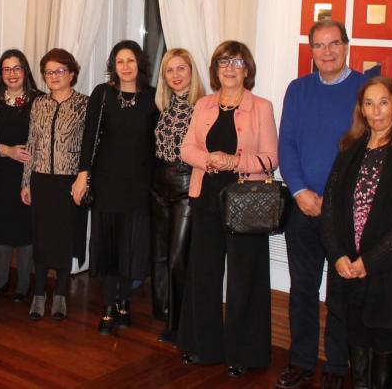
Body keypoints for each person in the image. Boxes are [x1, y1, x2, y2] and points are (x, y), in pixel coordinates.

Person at [177, 41, 278, 377]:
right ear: (215, 69)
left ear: (246, 68)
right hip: (206, 198)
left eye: (237, 62)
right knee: (202, 274)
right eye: (223, 62)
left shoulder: (261, 107)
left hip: (246, 204)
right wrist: (209, 160)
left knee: (244, 279)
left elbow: (270, 158)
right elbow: (186, 148)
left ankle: (244, 352)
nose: (230, 68)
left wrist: (235, 162)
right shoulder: (203, 105)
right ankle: (201, 346)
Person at [277, 19, 368, 389]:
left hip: (344, 212)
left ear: (347, 46)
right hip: (303, 207)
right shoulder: (298, 89)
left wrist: (333, 201)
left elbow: (368, 152)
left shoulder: (366, 88)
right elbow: (287, 145)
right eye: (319, 45)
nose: (327, 52)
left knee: (340, 292)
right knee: (302, 288)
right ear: (310, 50)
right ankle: (300, 361)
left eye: (334, 44)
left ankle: (336, 365)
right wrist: (298, 191)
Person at [321, 77, 392, 389]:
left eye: (383, 102)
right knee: (356, 339)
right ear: (361, 110)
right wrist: (337, 254)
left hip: (387, 272)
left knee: (383, 343)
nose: (376, 110)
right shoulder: (350, 149)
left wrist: (371, 261)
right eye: (369, 103)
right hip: (348, 268)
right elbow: (330, 209)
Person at [72, 40, 158, 336]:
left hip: (139, 185)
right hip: (107, 183)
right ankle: (109, 305)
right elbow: (89, 137)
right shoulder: (103, 93)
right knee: (109, 245)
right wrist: (83, 174)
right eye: (119, 61)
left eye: (130, 60)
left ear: (140, 64)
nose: (125, 66)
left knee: (130, 247)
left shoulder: (153, 98)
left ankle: (124, 302)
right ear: (113, 66)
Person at [20, 49, 89, 320]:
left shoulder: (84, 104)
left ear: (72, 73)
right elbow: (32, 143)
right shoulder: (38, 104)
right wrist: (26, 182)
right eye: (49, 72)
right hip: (40, 179)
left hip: (68, 182)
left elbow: (88, 147)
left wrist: (84, 178)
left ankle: (60, 293)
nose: (54, 76)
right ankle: (39, 293)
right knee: (41, 236)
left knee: (63, 238)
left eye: (60, 71)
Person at [150, 48, 205, 343]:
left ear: (192, 72)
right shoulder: (163, 106)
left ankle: (180, 321)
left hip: (186, 184)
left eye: (181, 69)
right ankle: (164, 313)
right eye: (170, 70)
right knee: (158, 256)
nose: (175, 76)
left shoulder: (204, 106)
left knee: (177, 257)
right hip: (159, 183)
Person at [0, 50, 40, 303]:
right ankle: (1, 279)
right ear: (1, 74)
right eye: (6, 69)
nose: (12, 74)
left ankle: (24, 284)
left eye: (17, 68)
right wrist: (7, 151)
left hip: (29, 175)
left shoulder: (39, 101)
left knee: (25, 230)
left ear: (25, 71)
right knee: (0, 228)